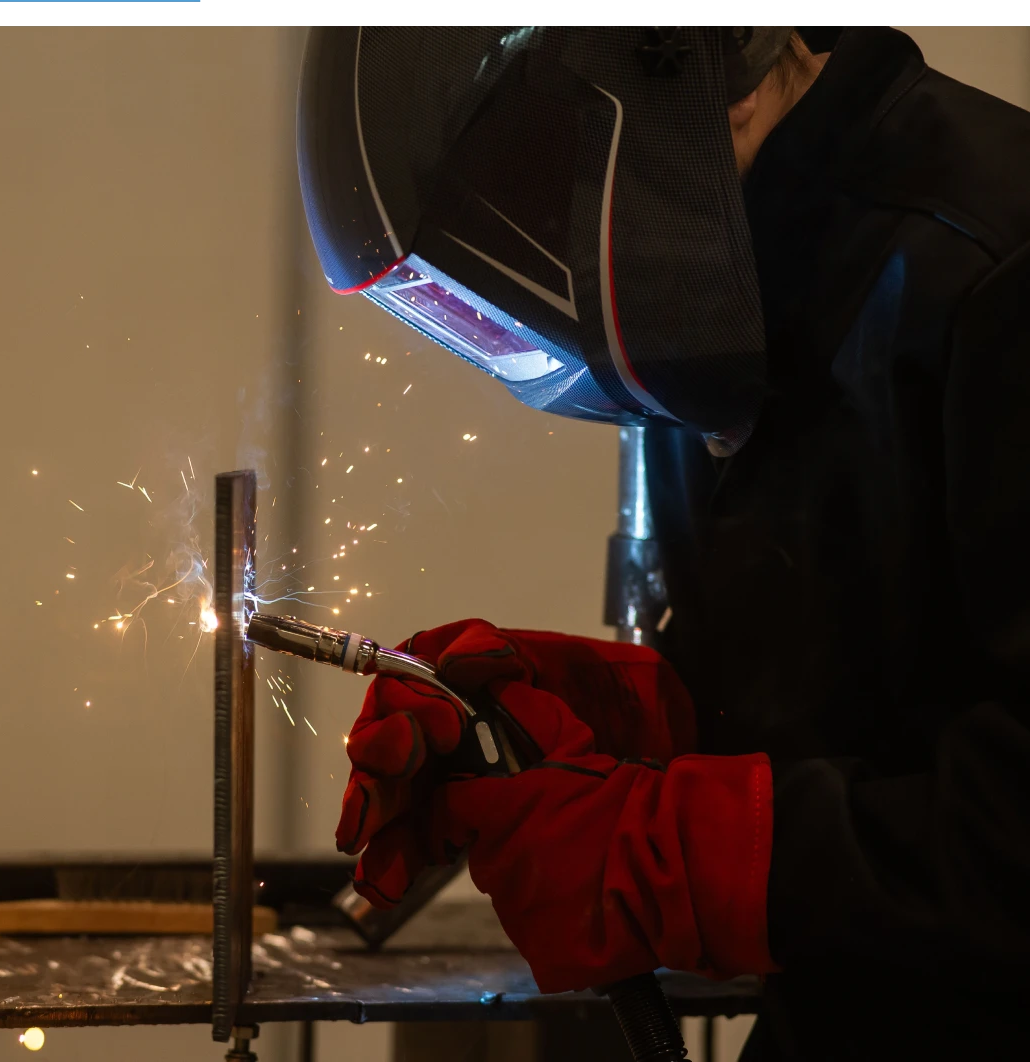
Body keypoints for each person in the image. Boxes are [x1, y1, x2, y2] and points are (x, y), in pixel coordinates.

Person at [296, 24, 1030, 1061]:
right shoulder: (726, 304)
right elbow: (857, 715)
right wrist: (619, 728)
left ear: (697, 83)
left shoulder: (997, 262)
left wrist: (689, 855)